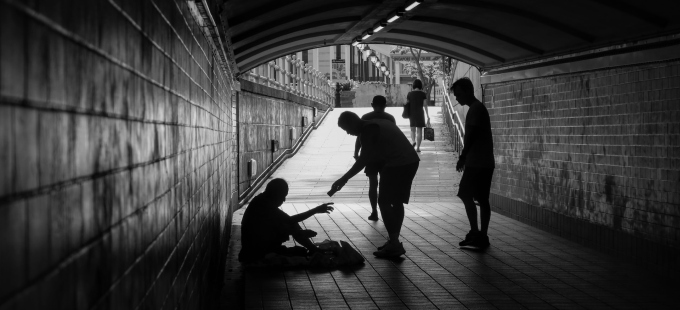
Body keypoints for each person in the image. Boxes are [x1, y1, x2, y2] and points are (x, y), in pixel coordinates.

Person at [331, 111, 419, 258]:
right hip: (410, 161)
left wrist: (343, 179)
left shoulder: (367, 131)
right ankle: (394, 241)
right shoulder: (377, 123)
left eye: (346, 129)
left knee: (383, 202)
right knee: (397, 202)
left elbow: (363, 159)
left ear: (352, 122)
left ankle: (394, 243)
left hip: (397, 163)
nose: (348, 133)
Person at [239, 178, 335, 263]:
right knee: (298, 251)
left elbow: (288, 221)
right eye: (283, 196)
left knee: (297, 244)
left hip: (259, 247)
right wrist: (314, 212)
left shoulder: (263, 201)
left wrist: (299, 231)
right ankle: (311, 249)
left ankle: (313, 249)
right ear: (275, 194)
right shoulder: (262, 205)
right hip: (255, 251)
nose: (284, 200)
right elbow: (286, 223)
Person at [451, 77, 495, 248]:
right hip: (482, 161)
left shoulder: (476, 109)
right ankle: (480, 234)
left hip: (477, 162)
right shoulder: (476, 108)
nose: (457, 98)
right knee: (481, 198)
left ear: (468, 91)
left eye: (459, 94)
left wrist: (463, 156)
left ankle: (477, 233)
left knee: (467, 194)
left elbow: (471, 135)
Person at [354, 95, 396, 221]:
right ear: (385, 105)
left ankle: (374, 211)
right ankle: (387, 210)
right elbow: (392, 136)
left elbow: (359, 137)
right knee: (386, 185)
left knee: (373, 184)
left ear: (372, 104)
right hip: (386, 156)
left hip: (370, 156)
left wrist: (356, 152)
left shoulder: (366, 118)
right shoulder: (390, 118)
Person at [407, 79, 431, 152]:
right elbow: (425, 105)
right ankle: (418, 148)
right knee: (419, 131)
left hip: (412, 113)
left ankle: (413, 141)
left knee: (412, 129)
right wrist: (427, 115)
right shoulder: (422, 94)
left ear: (413, 85)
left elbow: (407, 104)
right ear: (420, 86)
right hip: (420, 113)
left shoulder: (409, 94)